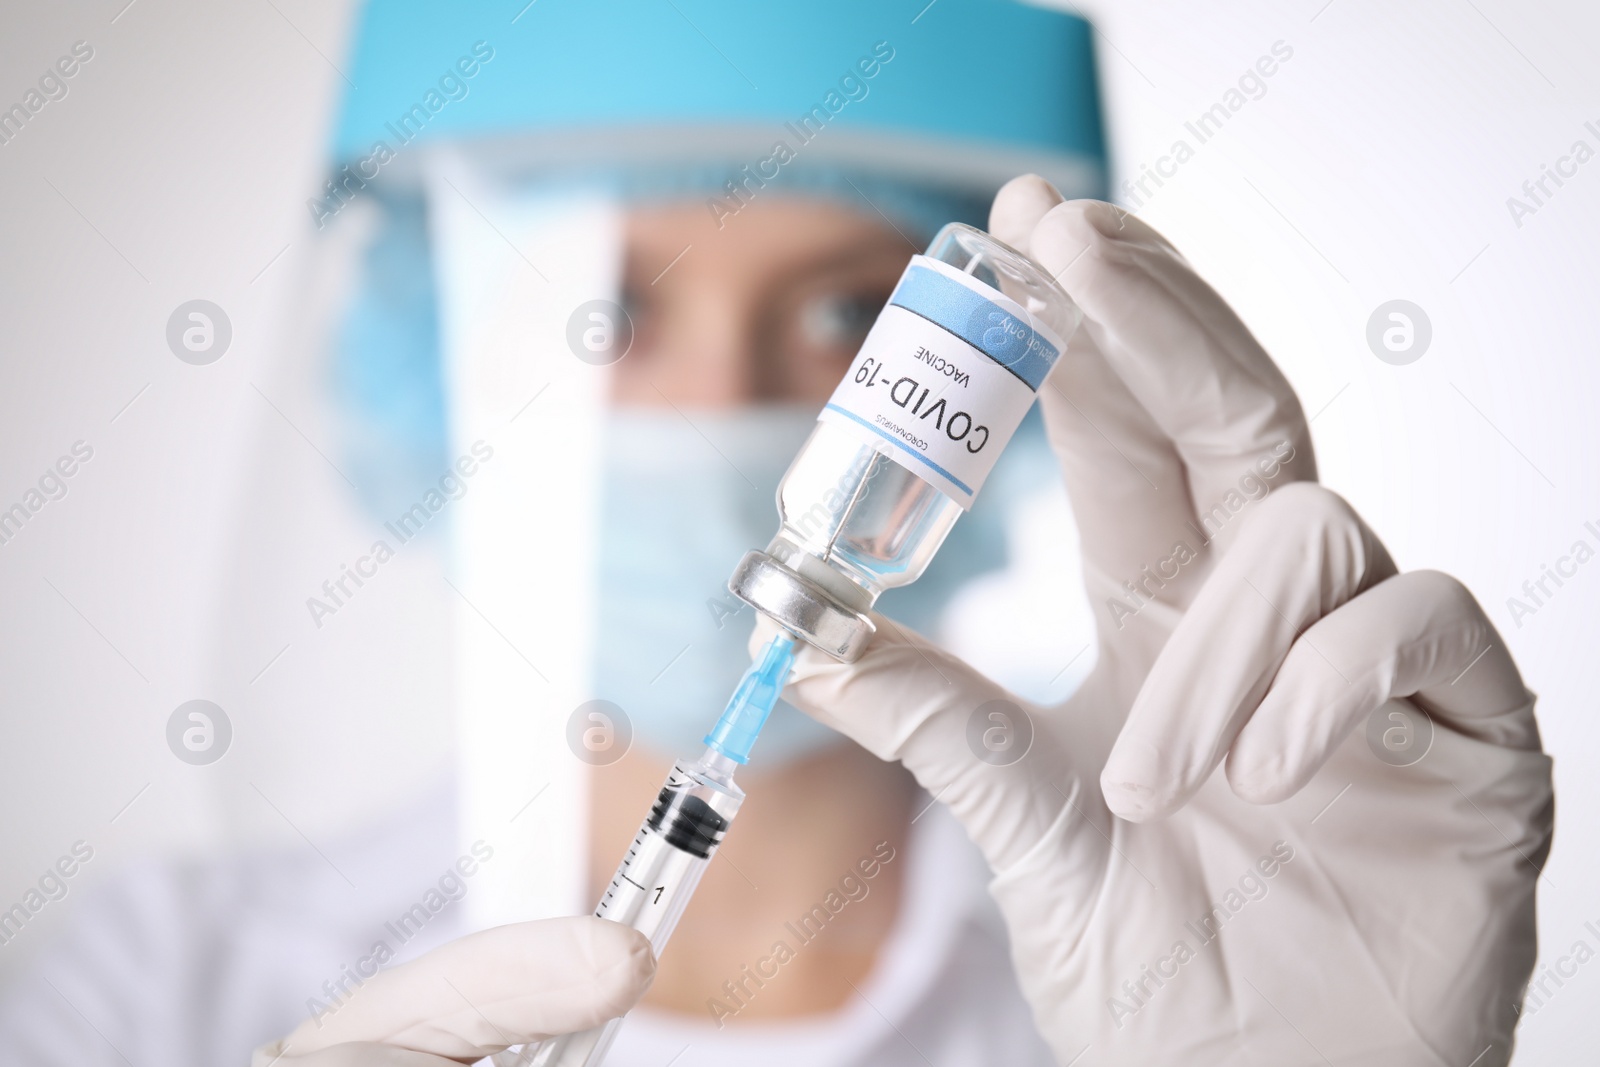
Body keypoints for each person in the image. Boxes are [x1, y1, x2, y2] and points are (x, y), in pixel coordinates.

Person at [0, 3, 1552, 1066]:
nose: (725, 405)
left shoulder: (1152, 980)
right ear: (432, 369)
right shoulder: (174, 988)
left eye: (838, 313)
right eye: (613, 315)